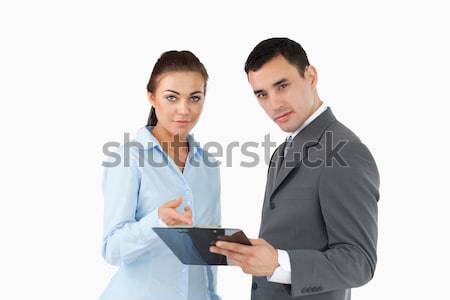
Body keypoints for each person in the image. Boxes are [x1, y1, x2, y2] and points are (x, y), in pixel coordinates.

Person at [210, 38, 379, 300]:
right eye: (261, 94)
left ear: (310, 76)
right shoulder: (282, 151)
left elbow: (359, 263)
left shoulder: (344, 151)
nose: (274, 104)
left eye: (282, 86)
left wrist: (278, 263)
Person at [100, 50, 221, 300]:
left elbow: (206, 252)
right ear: (152, 97)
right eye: (172, 98)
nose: (184, 109)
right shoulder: (128, 158)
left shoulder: (208, 164)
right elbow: (112, 249)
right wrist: (157, 221)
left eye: (195, 98)